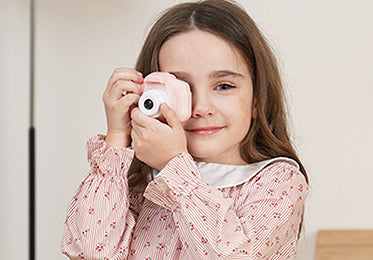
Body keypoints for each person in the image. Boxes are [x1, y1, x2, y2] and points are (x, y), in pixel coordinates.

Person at [61, 0, 308, 259]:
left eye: (224, 86)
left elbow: (232, 254)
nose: (201, 107)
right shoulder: (140, 184)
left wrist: (175, 168)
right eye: (182, 88)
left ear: (257, 100)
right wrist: (117, 140)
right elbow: (91, 251)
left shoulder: (278, 182)